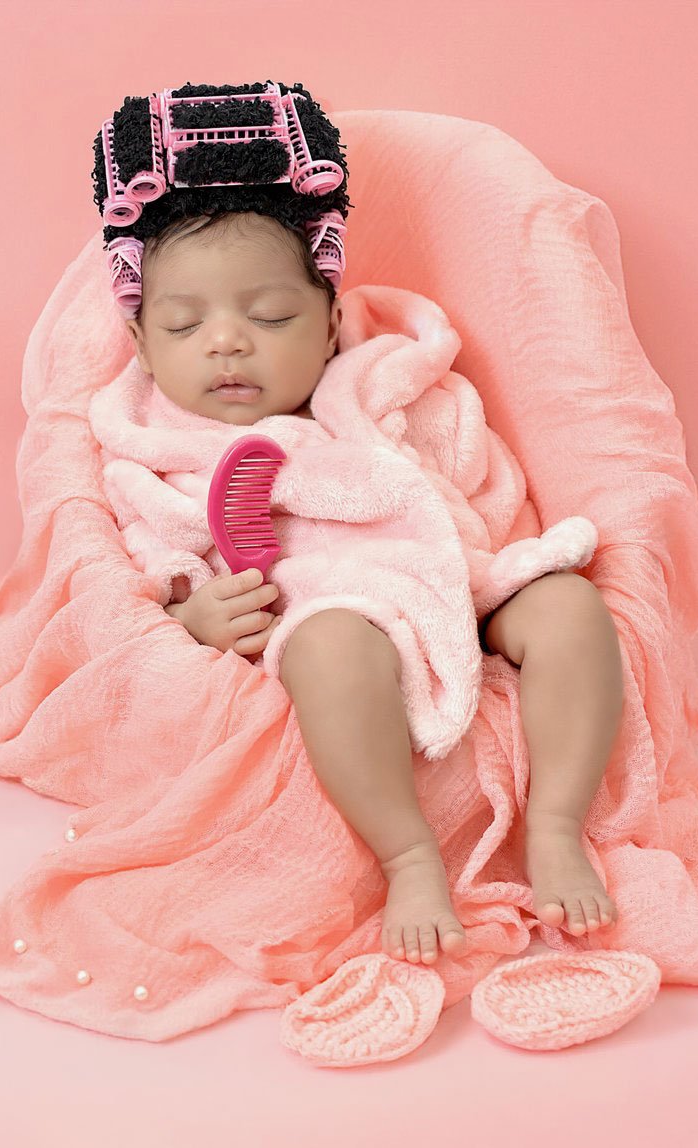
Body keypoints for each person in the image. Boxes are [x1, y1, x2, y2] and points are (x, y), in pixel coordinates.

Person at [92, 83, 623, 967]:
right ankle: (409, 854)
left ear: (332, 321)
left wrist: (495, 561)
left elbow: (477, 479)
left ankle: (560, 825)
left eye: (269, 317)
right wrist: (195, 616)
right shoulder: (158, 452)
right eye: (185, 325)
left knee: (571, 606)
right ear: (144, 345)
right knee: (339, 646)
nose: (228, 343)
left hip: (458, 577)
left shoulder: (389, 385)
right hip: (323, 609)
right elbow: (149, 574)